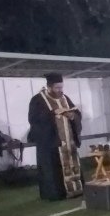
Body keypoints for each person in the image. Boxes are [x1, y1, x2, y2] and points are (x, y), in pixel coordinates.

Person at [28, 73, 83, 201]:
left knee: (73, 165)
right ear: (49, 87)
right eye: (57, 88)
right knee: (54, 170)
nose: (60, 90)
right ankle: (58, 194)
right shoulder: (38, 100)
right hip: (51, 144)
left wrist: (72, 116)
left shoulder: (65, 98)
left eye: (61, 87)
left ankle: (76, 189)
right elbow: (33, 120)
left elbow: (77, 114)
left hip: (68, 141)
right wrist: (52, 114)